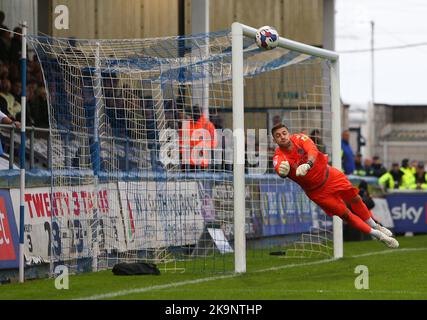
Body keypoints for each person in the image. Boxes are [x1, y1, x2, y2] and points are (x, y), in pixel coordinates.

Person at [271, 123, 399, 248]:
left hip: (330, 175)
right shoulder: (279, 157)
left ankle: (376, 225)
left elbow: (312, 150)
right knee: (345, 215)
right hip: (317, 193)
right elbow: (279, 168)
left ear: (289, 133)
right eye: (278, 135)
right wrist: (282, 172)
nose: (282, 136)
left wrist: (308, 164)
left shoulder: (299, 138)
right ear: (275, 140)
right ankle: (378, 235)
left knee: (355, 198)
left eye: (284, 133)